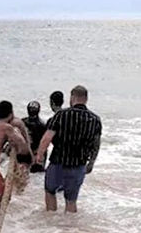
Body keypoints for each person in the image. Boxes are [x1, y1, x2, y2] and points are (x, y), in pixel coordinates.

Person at [36, 85, 102, 213]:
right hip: (78, 164)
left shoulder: (61, 115)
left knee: (50, 192)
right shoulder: (95, 119)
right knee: (71, 200)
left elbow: (47, 138)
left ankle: (51, 223)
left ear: (72, 97)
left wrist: (39, 155)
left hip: (58, 162)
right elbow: (96, 145)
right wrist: (91, 163)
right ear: (86, 99)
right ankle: (69, 229)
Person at [23, 100, 48, 173]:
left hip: (26, 153)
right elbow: (45, 141)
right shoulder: (42, 124)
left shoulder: (22, 122)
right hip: (37, 153)